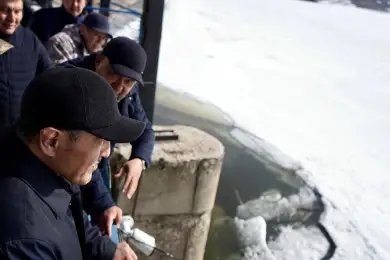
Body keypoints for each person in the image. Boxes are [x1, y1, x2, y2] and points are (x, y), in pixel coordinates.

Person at [0, 65, 143, 260]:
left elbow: (69, 218)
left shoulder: (47, 163)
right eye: (100, 139)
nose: (106, 152)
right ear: (51, 141)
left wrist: (107, 251)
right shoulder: (25, 241)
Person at [68, 37, 155, 212]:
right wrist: (105, 204)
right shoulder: (72, 82)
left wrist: (139, 159)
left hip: (96, 166)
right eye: (114, 74)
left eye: (129, 81)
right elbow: (80, 157)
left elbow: (145, 129)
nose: (119, 87)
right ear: (99, 60)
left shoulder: (127, 91)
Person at [0, 0, 52, 128]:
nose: (12, 18)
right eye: (5, 11)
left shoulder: (30, 39)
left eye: (17, 11)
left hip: (19, 134)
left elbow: (50, 74)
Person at [47, 12, 111, 65]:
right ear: (82, 29)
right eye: (97, 34)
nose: (100, 41)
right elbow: (62, 75)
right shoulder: (60, 42)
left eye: (104, 37)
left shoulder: (97, 49)